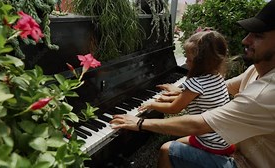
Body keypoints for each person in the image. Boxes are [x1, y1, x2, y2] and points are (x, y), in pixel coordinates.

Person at [110, 0, 275, 168]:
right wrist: (182, 91)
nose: (245, 40)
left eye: (259, 35)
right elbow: (220, 87)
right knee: (180, 140)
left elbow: (198, 124)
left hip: (245, 161)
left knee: (168, 149)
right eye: (249, 33)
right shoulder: (254, 71)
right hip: (230, 143)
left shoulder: (266, 93)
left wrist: (140, 123)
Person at [138, 30, 236, 156]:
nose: (185, 62)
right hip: (224, 137)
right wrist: (178, 93)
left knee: (168, 150)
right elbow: (200, 96)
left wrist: (151, 104)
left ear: (201, 63)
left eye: (189, 59)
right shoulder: (217, 76)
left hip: (211, 142)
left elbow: (173, 109)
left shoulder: (196, 83)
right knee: (178, 142)